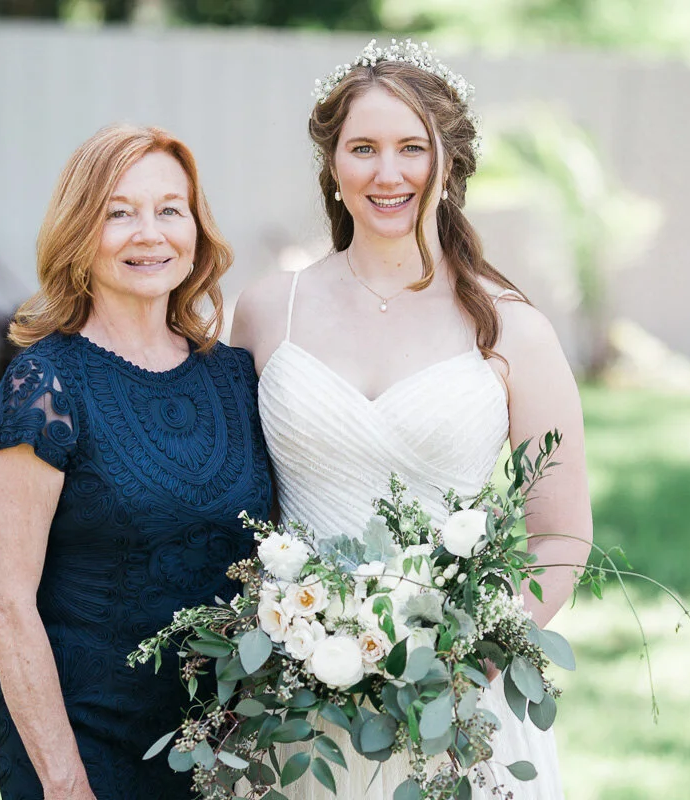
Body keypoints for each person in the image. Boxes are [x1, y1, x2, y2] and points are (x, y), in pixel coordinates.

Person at [232, 41, 592, 799]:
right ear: (333, 165)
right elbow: (235, 498)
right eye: (363, 148)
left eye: (411, 148)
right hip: (296, 709)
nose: (387, 173)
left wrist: (471, 659)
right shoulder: (268, 310)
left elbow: (560, 534)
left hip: (453, 704)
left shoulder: (512, 329)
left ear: (449, 163)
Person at [0, 124, 272, 800]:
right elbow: (4, 604)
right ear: (81, 231)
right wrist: (64, 783)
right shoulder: (45, 385)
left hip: (225, 749)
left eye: (170, 209)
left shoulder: (236, 379)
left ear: (196, 230)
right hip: (83, 747)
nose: (149, 233)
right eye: (120, 213)